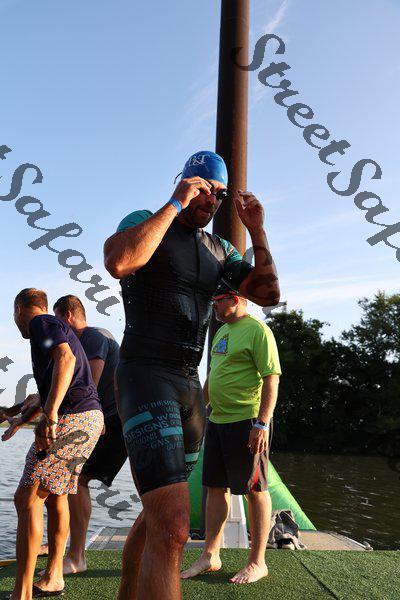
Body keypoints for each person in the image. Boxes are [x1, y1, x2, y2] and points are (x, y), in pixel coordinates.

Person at [103, 150, 280, 600]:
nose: (211, 200)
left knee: (159, 515)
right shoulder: (146, 220)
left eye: (219, 194)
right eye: (204, 188)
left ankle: (127, 591)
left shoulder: (221, 250)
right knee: (175, 527)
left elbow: (269, 294)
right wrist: (175, 203)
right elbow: (119, 261)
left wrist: (257, 230)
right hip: (145, 376)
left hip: (189, 390)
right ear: (185, 182)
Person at [2, 288, 103, 599]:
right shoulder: (52, 330)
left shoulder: (41, 323)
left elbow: (66, 359)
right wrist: (21, 417)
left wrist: (51, 414)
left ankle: (22, 593)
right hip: (89, 419)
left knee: (27, 499)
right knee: (56, 495)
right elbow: (52, 384)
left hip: (72, 418)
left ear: (20, 310)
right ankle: (54, 576)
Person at [181, 282, 281, 584]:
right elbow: (215, 375)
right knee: (214, 487)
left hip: (247, 421)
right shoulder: (222, 331)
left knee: (255, 489)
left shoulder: (258, 331)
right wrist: (199, 412)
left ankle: (257, 562)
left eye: (217, 300)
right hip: (217, 421)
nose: (213, 305)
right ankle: (210, 555)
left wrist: (262, 424)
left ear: (235, 299)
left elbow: (272, 378)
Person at [36, 294, 124, 574]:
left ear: (68, 316)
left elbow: (89, 387)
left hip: (110, 420)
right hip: (102, 418)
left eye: (58, 320)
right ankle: (61, 545)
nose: (57, 328)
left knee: (78, 478)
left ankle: (76, 556)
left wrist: (92, 418)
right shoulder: (84, 341)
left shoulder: (94, 337)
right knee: (67, 479)